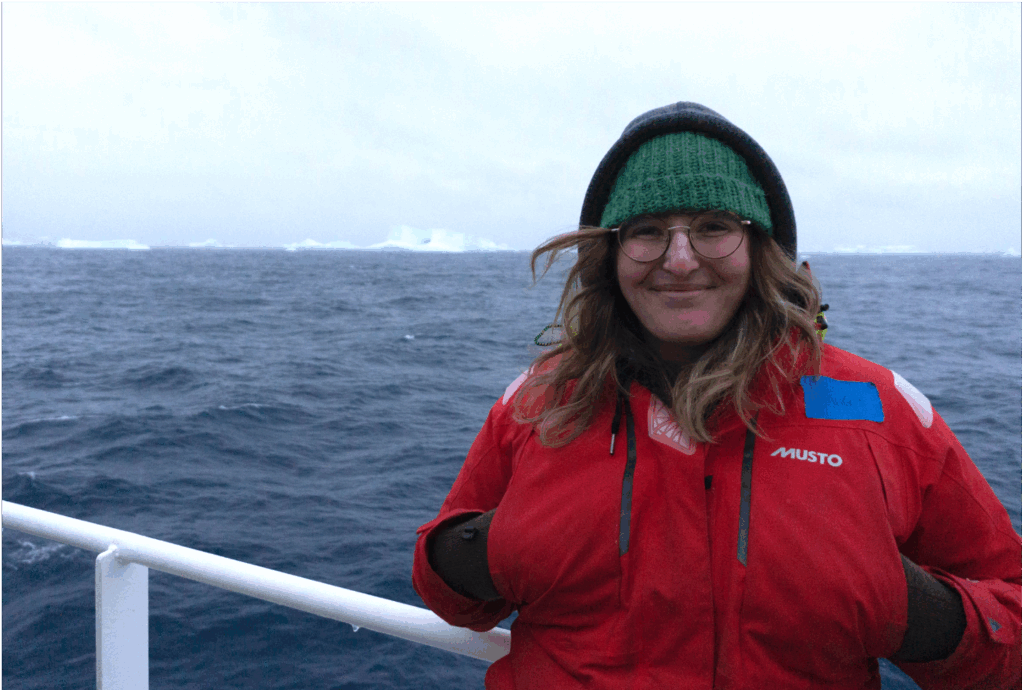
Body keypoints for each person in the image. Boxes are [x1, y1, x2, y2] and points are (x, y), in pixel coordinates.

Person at [412, 102, 1022, 689]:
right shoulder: (538, 402)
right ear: (610, 255)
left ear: (762, 250)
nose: (680, 260)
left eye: (713, 228)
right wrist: (483, 547)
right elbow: (444, 591)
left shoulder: (880, 410)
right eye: (646, 231)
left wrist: (913, 609)